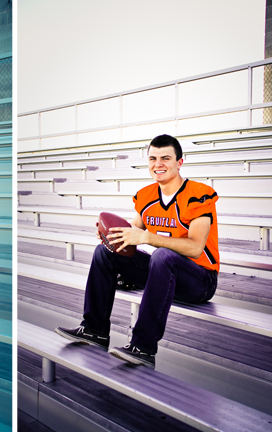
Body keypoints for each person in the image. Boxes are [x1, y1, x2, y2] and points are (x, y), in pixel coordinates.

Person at [56, 134, 219, 368]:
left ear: (179, 162)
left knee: (162, 256)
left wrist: (148, 237)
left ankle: (143, 347)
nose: (158, 164)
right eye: (153, 158)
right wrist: (111, 235)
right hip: (162, 273)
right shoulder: (147, 196)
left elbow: (195, 248)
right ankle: (95, 330)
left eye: (165, 158)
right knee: (104, 252)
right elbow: (132, 233)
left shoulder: (198, 194)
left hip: (199, 281)